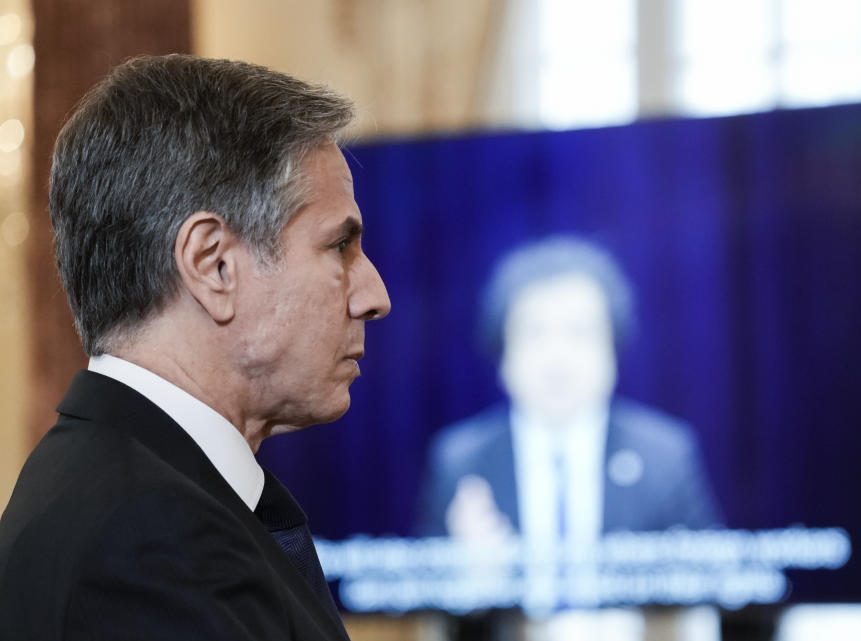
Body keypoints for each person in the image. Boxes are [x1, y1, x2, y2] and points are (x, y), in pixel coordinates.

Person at [0, 55, 390, 639]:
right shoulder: (149, 538)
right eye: (339, 247)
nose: (374, 295)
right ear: (214, 266)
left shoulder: (121, 489)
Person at [417, 237, 720, 548]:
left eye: (580, 331)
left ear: (613, 350)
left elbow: (713, 587)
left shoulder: (665, 457)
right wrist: (468, 581)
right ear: (502, 355)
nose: (557, 356)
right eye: (535, 332)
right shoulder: (460, 461)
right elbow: (419, 590)